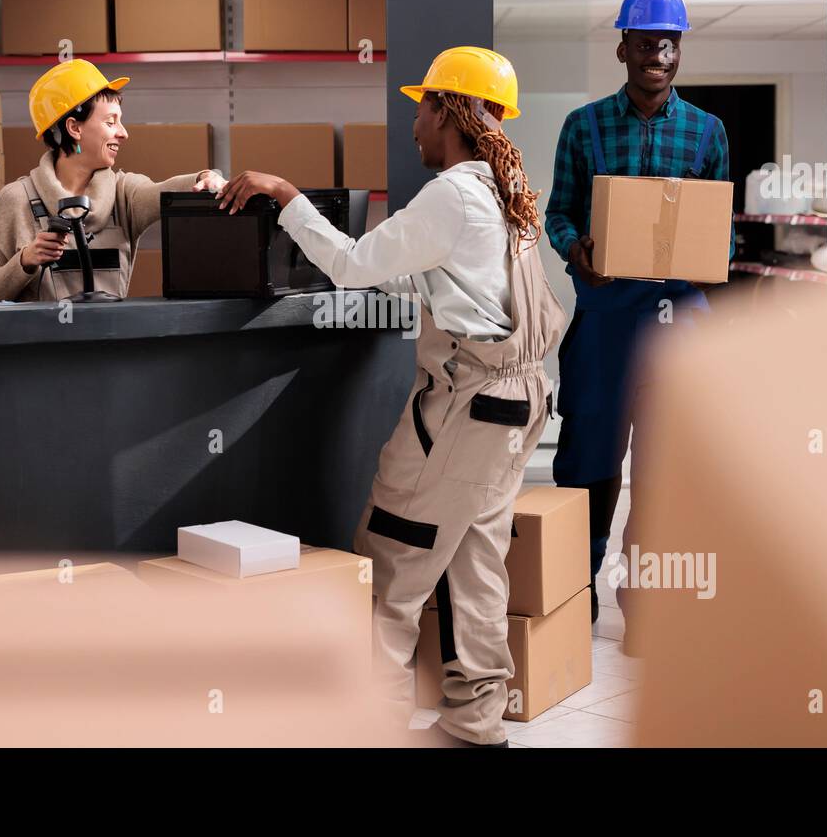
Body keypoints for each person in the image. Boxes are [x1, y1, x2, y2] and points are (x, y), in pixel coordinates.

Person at [216, 46, 567, 748]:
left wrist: (289, 200)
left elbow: (350, 266)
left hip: (468, 408)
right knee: (473, 564)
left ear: (451, 111)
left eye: (422, 106)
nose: (415, 123)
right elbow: (455, 283)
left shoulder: (453, 194)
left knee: (390, 561)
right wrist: (393, 275)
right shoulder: (505, 192)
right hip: (518, 406)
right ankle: (475, 723)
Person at [544, 0, 733, 634]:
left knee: (664, 471)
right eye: (647, 39)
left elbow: (722, 230)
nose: (659, 51)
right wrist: (578, 249)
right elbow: (558, 214)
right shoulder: (584, 126)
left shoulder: (708, 132)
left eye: (670, 41)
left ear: (679, 50)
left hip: (679, 323)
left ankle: (648, 605)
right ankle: (573, 594)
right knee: (587, 465)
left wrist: (713, 252)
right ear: (623, 46)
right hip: (606, 320)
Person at [0, 59, 225, 302]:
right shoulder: (16, 199)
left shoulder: (124, 193)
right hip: (43, 343)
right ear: (75, 128)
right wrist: (25, 260)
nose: (123, 133)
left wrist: (204, 177)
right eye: (110, 122)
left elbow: (163, 192)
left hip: (109, 342)